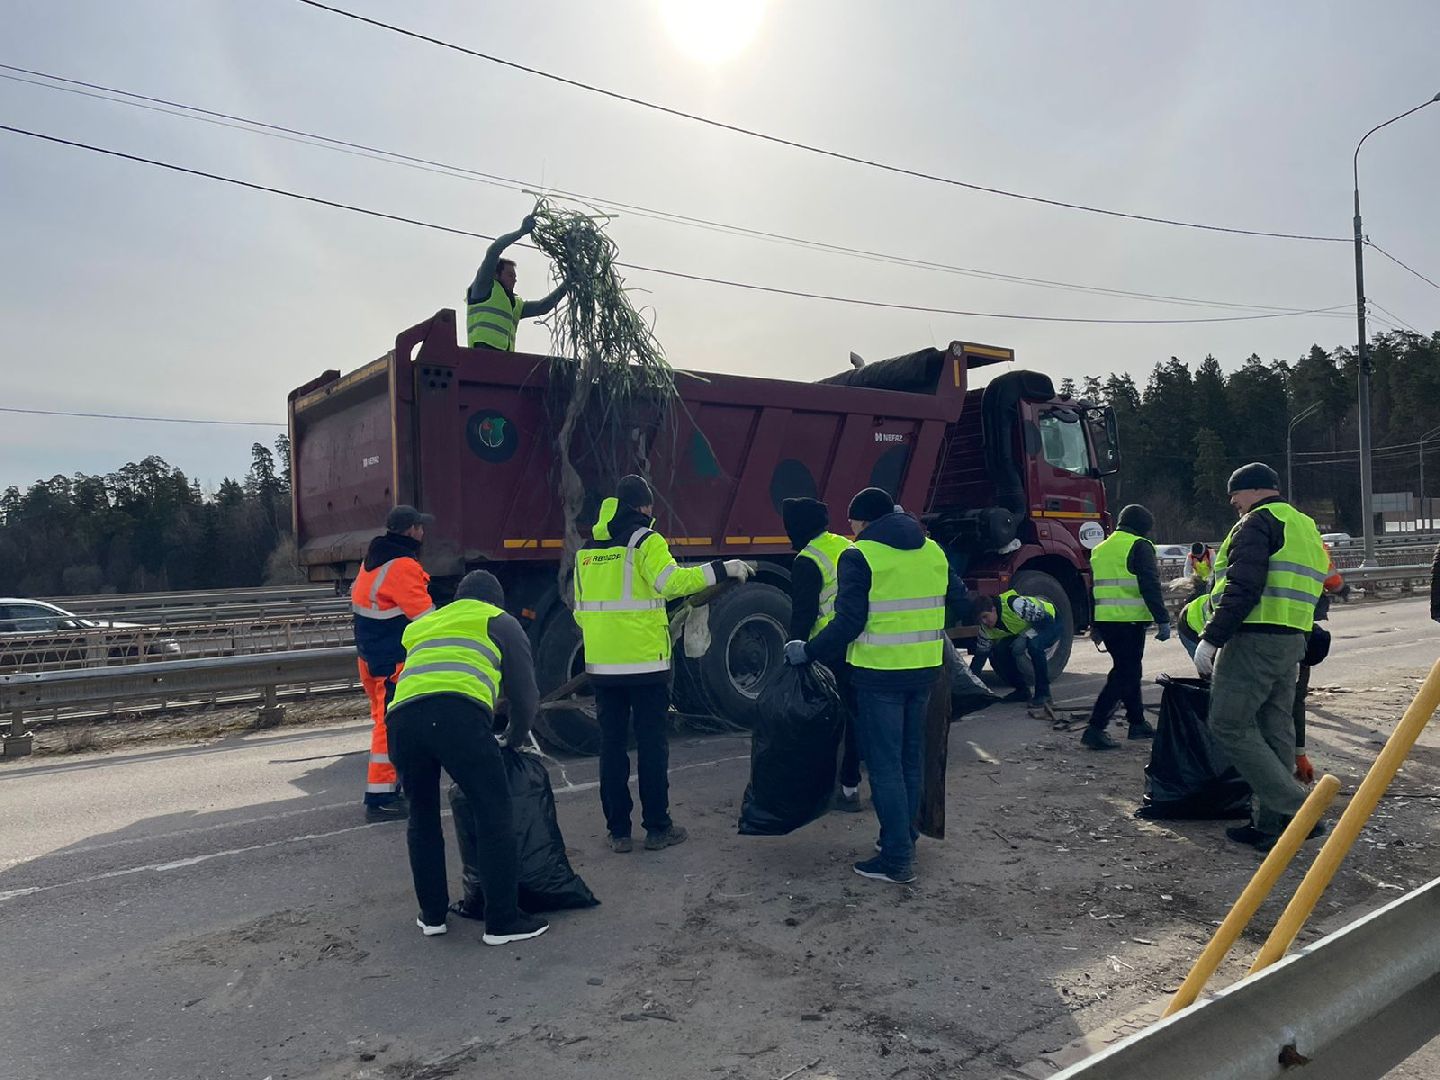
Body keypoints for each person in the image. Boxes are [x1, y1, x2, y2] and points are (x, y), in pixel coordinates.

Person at [783, 488, 970, 885]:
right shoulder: (932, 550)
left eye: (853, 522)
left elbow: (849, 622)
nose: (850, 529)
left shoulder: (860, 555)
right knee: (909, 760)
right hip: (925, 670)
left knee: (885, 768)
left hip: (878, 675)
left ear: (864, 521)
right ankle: (903, 839)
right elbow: (959, 599)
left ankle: (897, 859)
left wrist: (809, 651)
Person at [574, 475, 753, 853]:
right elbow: (672, 582)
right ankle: (658, 828)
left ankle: (618, 833)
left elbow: (580, 612)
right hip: (644, 665)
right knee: (652, 746)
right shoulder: (645, 541)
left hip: (603, 668)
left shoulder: (587, 550)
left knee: (611, 748)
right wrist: (723, 568)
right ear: (644, 507)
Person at [385, 570, 549, 944]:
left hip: (402, 720)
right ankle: (502, 922)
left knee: (422, 817)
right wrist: (514, 737)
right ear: (495, 600)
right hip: (457, 717)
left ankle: (432, 917)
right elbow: (526, 696)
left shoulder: (426, 623)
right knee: (493, 810)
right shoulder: (498, 621)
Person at [1192, 462, 1330, 852]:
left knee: (1228, 724)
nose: (1233, 500)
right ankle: (1272, 826)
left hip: (1254, 637)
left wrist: (1212, 637)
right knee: (1275, 727)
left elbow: (1244, 584)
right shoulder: (1305, 526)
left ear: (1253, 491)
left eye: (1235, 492)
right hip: (1292, 641)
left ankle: (1299, 811)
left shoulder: (1257, 522)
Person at [351, 505, 437, 822]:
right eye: (421, 527)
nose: (424, 532)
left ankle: (389, 789)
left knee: (384, 721)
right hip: (389, 659)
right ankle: (381, 797)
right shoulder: (402, 565)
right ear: (412, 530)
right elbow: (425, 617)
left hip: (371, 656)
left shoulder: (375, 559)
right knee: (388, 726)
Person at [782, 496, 863, 812]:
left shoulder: (807, 559)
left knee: (825, 721)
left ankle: (823, 787)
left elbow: (803, 612)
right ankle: (850, 787)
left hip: (824, 651)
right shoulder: (846, 545)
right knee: (854, 719)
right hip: (856, 644)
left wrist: (795, 648)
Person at [1081, 504, 1171, 750]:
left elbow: (1093, 590)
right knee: (1124, 674)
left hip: (1108, 621)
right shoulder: (1139, 545)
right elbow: (1150, 585)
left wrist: (1095, 624)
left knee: (1129, 670)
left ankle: (1137, 722)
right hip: (1129, 621)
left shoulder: (1100, 549)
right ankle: (1095, 728)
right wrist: (1162, 618)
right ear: (1143, 527)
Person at [466, 213, 569, 351]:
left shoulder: (516, 304)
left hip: (506, 359)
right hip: (481, 354)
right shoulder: (484, 287)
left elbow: (543, 307)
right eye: (510, 275)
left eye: (515, 276)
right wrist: (521, 232)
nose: (514, 279)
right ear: (496, 274)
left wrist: (569, 282)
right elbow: (494, 250)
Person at [1291, 551, 1345, 785]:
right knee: (1293, 698)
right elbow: (1331, 578)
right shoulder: (1312, 540)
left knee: (1293, 698)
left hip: (1285, 620)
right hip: (1298, 617)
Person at [970, 591, 1060, 708]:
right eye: (980, 620)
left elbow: (1045, 619)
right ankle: (1022, 691)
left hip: (1050, 621)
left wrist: (1025, 636)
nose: (984, 622)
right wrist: (968, 688)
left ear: (993, 609)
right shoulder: (985, 631)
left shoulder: (1015, 605)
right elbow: (979, 659)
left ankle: (1044, 694)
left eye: (985, 617)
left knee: (1035, 646)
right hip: (1023, 628)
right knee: (999, 651)